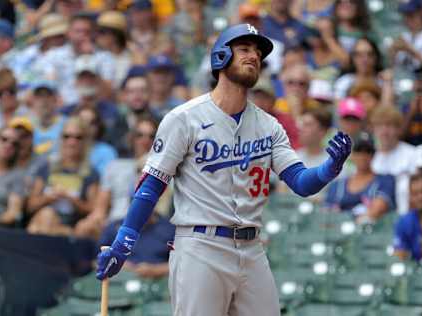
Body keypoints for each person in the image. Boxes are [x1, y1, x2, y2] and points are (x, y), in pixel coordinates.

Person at [96, 23, 352, 316]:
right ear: (220, 57)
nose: (254, 56)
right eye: (244, 49)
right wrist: (123, 243)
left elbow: (300, 182)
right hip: (200, 245)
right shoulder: (184, 118)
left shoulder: (269, 126)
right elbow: (152, 185)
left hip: (252, 248)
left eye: (258, 52)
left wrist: (329, 169)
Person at [325, 133, 396, 223]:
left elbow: (377, 209)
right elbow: (327, 216)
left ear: (373, 155)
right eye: (359, 150)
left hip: (370, 232)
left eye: (368, 151)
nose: (363, 156)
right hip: (337, 233)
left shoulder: (385, 180)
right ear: (352, 154)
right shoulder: (337, 185)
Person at [370, 106, 416, 214]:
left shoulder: (412, 153)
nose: (384, 131)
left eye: (389, 126)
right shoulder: (370, 156)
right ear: (373, 129)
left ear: (399, 129)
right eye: (380, 126)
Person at [0, 126, 26, 227]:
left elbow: (13, 213)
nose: (8, 145)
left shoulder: (17, 176)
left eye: (14, 144)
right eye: (4, 139)